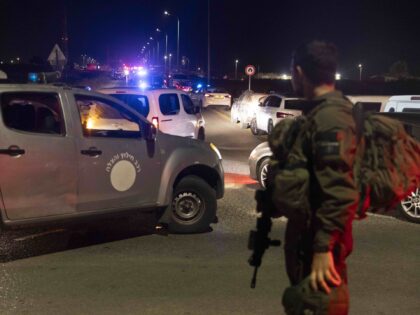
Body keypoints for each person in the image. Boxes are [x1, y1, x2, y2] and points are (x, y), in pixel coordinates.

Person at [273, 40, 359, 314]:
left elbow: (338, 187)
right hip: (310, 240)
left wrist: (323, 248)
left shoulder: (330, 119)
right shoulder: (321, 113)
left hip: (319, 246)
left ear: (298, 72)